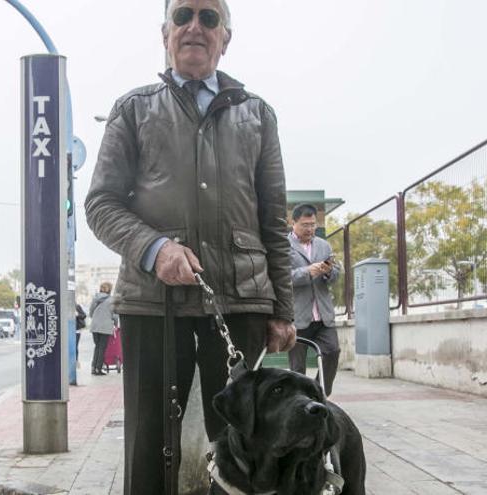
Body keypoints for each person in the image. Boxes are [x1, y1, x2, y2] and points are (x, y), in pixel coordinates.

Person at [84, 0, 296, 491]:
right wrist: (154, 248)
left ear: (226, 36)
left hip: (241, 299)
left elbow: (272, 218)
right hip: (151, 303)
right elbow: (101, 204)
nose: (194, 27)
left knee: (245, 444)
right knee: (148, 439)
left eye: (208, 17)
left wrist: (283, 309)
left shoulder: (258, 114)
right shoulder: (132, 109)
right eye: (183, 16)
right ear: (165, 33)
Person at [287, 203, 342, 396]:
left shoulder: (323, 245)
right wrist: (307, 272)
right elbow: (281, 278)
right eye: (305, 225)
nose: (310, 229)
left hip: (323, 316)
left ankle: (318, 393)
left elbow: (336, 274)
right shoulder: (284, 246)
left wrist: (329, 272)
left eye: (313, 224)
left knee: (332, 352)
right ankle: (298, 401)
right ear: (293, 223)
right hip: (298, 317)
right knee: (297, 367)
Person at [88, 282, 117, 376]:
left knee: (97, 347)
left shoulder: (95, 298)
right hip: (105, 326)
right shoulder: (111, 300)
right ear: (109, 289)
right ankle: (98, 369)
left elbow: (91, 312)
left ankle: (93, 367)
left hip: (95, 325)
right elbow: (114, 314)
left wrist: (96, 317)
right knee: (102, 348)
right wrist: (116, 324)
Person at [75, 303, 87, 368]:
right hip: (67, 330)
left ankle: (76, 361)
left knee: (75, 346)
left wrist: (77, 315)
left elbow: (84, 315)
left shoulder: (77, 306)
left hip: (76, 330)